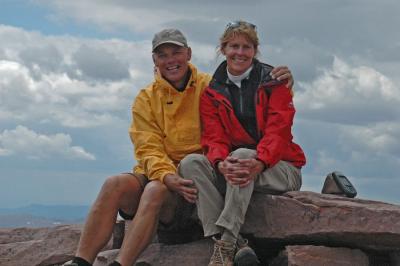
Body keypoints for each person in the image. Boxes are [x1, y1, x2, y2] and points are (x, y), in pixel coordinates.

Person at [65, 28, 294, 266]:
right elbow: (147, 147)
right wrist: (166, 175)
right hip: (164, 175)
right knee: (114, 184)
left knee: (156, 189)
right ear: (154, 60)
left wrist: (284, 82)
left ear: (189, 54)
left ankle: (121, 263)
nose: (171, 60)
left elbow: (248, 99)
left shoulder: (211, 86)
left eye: (176, 52)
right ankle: (80, 261)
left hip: (197, 179)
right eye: (162, 55)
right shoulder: (146, 98)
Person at [179, 21, 306, 266]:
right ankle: (235, 243)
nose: (240, 52)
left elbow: (278, 132)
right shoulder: (212, 91)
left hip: (281, 168)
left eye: (246, 47)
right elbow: (213, 138)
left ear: (255, 51)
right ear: (223, 49)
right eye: (234, 46)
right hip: (239, 169)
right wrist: (218, 164)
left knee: (243, 154)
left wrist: (260, 161)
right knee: (191, 163)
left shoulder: (274, 82)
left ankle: (225, 246)